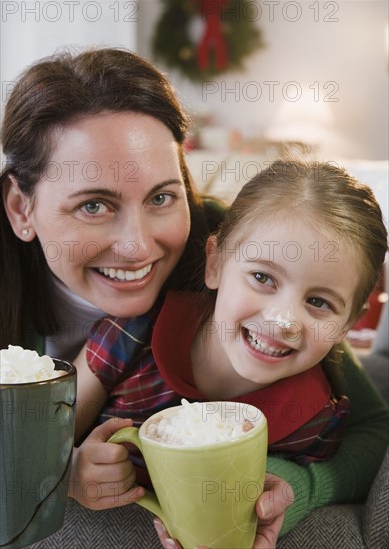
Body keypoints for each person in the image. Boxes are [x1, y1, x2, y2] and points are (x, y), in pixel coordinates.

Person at [0, 48, 387, 546]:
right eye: (94, 205)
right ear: (20, 208)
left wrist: (289, 487)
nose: (139, 246)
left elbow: (370, 426)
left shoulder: (245, 255)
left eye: (161, 197)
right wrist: (55, 474)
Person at [74, 160, 388, 546]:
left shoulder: (313, 420)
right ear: (215, 263)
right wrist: (70, 470)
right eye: (262, 277)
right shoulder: (133, 334)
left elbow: (362, 451)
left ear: (347, 325)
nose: (283, 320)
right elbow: (46, 436)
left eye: (319, 302)